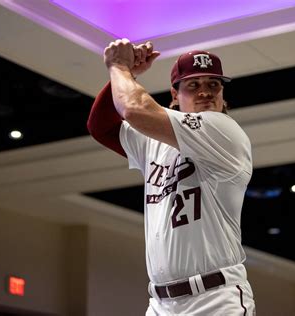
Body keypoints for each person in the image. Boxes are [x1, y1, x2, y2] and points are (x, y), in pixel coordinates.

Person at [87, 39, 255, 315]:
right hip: (161, 302)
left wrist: (119, 66)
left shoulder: (224, 129)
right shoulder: (155, 139)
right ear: (174, 96)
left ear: (223, 94)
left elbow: (134, 110)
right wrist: (128, 74)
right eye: (193, 85)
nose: (205, 92)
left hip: (215, 298)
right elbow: (100, 127)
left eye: (214, 85)